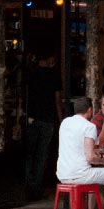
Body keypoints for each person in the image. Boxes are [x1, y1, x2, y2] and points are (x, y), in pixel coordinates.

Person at [24, 55, 63, 199]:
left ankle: (28, 184)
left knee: (29, 154)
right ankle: (37, 187)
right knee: (42, 155)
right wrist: (61, 121)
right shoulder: (54, 75)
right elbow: (57, 100)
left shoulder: (30, 73)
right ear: (49, 59)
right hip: (47, 119)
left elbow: (24, 96)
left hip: (31, 118)